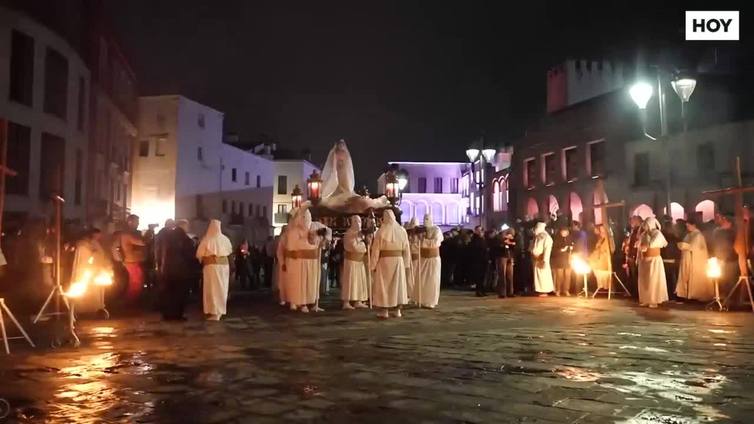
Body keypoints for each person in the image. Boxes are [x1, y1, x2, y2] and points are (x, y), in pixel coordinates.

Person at [370, 209, 410, 319]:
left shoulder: (381, 231)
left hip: (384, 262)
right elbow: (407, 249)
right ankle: (397, 310)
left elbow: (376, 250)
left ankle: (385, 311)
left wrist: (372, 265)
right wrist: (406, 263)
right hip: (398, 261)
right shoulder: (402, 231)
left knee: (385, 286)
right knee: (398, 285)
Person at [156, 220, 196, 320]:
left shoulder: (167, 237)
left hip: (167, 270)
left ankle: (167, 314)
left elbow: (159, 251)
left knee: (168, 293)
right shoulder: (184, 238)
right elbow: (189, 254)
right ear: (183, 226)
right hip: (181, 271)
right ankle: (177, 315)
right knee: (180, 293)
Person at [284, 209, 320, 313]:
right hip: (297, 263)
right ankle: (298, 302)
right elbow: (295, 246)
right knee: (298, 283)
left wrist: (316, 240)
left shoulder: (310, 231)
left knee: (307, 283)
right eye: (304, 217)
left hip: (308, 263)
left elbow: (315, 243)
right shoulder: (293, 232)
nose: (307, 220)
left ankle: (306, 302)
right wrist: (310, 245)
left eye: (308, 217)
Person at [196, 219, 232, 320]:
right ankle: (219, 310)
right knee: (222, 288)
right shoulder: (225, 239)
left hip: (211, 267)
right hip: (224, 267)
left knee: (213, 289)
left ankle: (215, 311)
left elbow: (199, 254)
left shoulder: (207, 239)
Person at [71, 228, 110, 314]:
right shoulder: (83, 245)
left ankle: (95, 308)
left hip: (94, 270)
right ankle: (82, 309)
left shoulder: (94, 244)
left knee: (95, 291)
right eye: (98, 235)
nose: (100, 236)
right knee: (86, 290)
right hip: (85, 270)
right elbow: (85, 259)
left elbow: (100, 255)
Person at [676, 218, 713, 301]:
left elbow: (694, 247)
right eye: (686, 226)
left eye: (689, 226)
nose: (687, 227)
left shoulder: (698, 235)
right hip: (687, 259)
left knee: (695, 277)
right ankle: (686, 294)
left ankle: (696, 295)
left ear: (694, 225)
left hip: (695, 260)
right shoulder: (689, 234)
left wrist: (684, 246)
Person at [637, 217, 669, 308]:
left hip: (654, 260)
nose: (645, 227)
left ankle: (653, 300)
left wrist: (645, 244)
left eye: (646, 225)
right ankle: (645, 299)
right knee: (645, 281)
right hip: (645, 260)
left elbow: (652, 244)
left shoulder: (657, 234)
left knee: (653, 281)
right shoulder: (644, 234)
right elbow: (640, 244)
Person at [341, 216, 369, 309]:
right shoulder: (349, 233)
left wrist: (363, 243)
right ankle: (346, 302)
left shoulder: (359, 234)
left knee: (358, 281)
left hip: (359, 261)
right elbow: (354, 247)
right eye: (356, 221)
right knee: (350, 281)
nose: (358, 223)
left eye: (359, 221)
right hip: (351, 261)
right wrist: (362, 244)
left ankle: (358, 300)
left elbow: (363, 247)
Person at [416, 213, 443, 308]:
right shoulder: (421, 230)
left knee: (432, 280)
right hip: (423, 258)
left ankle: (431, 300)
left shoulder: (436, 230)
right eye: (424, 219)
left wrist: (423, 241)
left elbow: (435, 242)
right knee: (422, 279)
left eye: (427, 219)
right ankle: (422, 299)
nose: (425, 220)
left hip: (433, 259)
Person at [118, 215, 147, 304]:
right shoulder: (127, 234)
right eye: (136, 222)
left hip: (133, 260)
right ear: (130, 222)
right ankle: (129, 302)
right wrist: (147, 234)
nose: (138, 224)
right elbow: (142, 242)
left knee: (137, 281)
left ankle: (132, 302)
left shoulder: (129, 233)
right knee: (135, 282)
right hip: (131, 261)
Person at [530, 222, 554, 296]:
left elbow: (547, 250)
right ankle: (538, 289)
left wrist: (544, 260)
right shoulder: (538, 236)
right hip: (536, 258)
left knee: (543, 275)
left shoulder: (546, 237)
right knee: (538, 275)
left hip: (541, 258)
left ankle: (544, 290)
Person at [590, 224, 613, 291]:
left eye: (603, 231)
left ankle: (605, 288)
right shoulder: (600, 240)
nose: (601, 233)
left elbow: (611, 249)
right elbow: (596, 249)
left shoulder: (609, 240)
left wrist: (603, 253)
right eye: (601, 231)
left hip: (604, 261)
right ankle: (600, 287)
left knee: (604, 276)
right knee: (598, 275)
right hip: (598, 261)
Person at [551, 227, 573, 296]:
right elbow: (554, 250)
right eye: (563, 232)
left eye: (566, 232)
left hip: (568, 259)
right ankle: (558, 290)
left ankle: (566, 290)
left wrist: (571, 248)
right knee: (559, 276)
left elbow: (572, 247)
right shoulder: (557, 239)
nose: (565, 233)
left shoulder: (569, 239)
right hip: (559, 260)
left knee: (567, 276)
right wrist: (561, 250)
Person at [497, 229, 517, 297]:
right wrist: (505, 242)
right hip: (502, 256)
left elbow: (514, 246)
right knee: (502, 274)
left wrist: (511, 243)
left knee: (510, 275)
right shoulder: (500, 238)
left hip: (510, 256)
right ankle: (502, 293)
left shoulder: (512, 239)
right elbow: (499, 246)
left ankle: (510, 292)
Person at [404, 217, 420, 302]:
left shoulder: (420, 237)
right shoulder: (408, 235)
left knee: (416, 277)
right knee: (409, 277)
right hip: (409, 258)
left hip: (417, 259)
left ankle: (416, 295)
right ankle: (409, 294)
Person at [470, 226, 488, 296]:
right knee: (479, 276)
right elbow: (476, 248)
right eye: (479, 230)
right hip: (478, 260)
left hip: (483, 260)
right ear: (476, 231)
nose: (480, 232)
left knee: (483, 276)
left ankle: (482, 290)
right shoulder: (475, 239)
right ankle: (478, 291)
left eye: (481, 230)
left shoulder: (482, 239)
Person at [274, 226, 289, 306]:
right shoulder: (282, 238)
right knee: (282, 281)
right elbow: (279, 251)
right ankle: (283, 297)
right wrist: (282, 262)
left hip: (289, 262)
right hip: (283, 261)